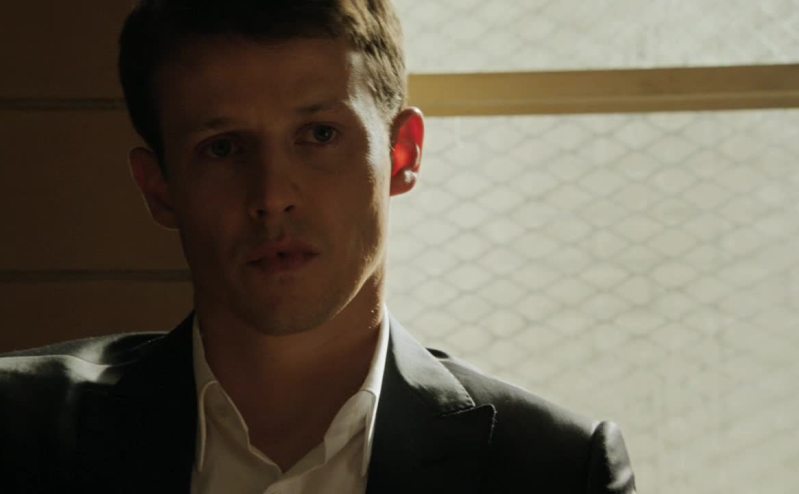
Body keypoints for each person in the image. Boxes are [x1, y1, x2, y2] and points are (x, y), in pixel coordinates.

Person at [0, 1, 636, 492]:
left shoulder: (553, 470)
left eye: (320, 134)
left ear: (402, 154)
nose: (272, 195)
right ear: (159, 188)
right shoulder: (19, 432)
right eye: (222, 148)